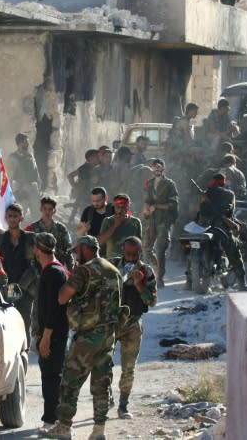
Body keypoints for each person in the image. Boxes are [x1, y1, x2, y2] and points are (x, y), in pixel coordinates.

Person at [41, 236, 122, 440]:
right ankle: (99, 430)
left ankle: (65, 427)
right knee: (101, 382)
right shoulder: (114, 270)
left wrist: (72, 275)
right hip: (108, 335)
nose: (76, 254)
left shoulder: (84, 270)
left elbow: (62, 297)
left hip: (87, 337)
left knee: (70, 381)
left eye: (78, 251)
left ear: (86, 249)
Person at [107, 236, 157, 420]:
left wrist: (139, 285)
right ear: (122, 251)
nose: (131, 258)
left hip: (133, 324)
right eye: (128, 254)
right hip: (111, 322)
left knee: (128, 368)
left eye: (135, 255)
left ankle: (123, 406)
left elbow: (152, 300)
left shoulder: (146, 271)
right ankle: (107, 396)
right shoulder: (111, 266)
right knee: (105, 364)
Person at [34, 233, 71, 432]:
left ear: (37, 250)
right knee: (53, 376)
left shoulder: (53, 273)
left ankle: (51, 421)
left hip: (53, 334)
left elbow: (53, 309)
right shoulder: (56, 269)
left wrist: (46, 337)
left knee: (50, 378)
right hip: (56, 333)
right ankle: (55, 419)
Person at [198, 174, 247, 291]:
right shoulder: (229, 194)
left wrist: (206, 201)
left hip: (206, 226)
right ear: (224, 182)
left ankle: (190, 280)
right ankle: (241, 282)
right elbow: (228, 211)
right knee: (234, 252)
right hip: (221, 227)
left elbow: (203, 212)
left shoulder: (207, 194)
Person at [0, 203, 37, 343]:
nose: (12, 219)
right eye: (10, 216)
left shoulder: (31, 239)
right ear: (6, 218)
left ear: (21, 218)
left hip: (26, 288)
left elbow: (36, 264)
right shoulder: (0, 240)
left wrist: (22, 286)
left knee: (24, 322)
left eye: (15, 216)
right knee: (7, 323)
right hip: (7, 289)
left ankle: (23, 352)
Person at [143, 158, 179, 288]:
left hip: (164, 220)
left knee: (160, 250)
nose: (157, 169)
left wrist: (157, 206)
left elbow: (173, 204)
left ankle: (160, 278)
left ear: (163, 168)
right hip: (152, 220)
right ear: (151, 169)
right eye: (154, 167)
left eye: (159, 167)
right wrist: (146, 208)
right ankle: (156, 268)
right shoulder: (150, 183)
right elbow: (147, 199)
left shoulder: (169, 184)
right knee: (146, 248)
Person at [26, 196, 74, 271]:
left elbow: (68, 251)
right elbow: (26, 251)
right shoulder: (32, 229)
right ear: (41, 209)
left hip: (56, 269)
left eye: (50, 209)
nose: (47, 212)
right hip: (37, 270)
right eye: (45, 209)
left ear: (54, 211)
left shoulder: (61, 228)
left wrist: (71, 270)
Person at [98, 194, 143, 258]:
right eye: (118, 207)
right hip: (111, 262)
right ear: (114, 207)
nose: (120, 210)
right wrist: (115, 225)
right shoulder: (108, 221)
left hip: (129, 262)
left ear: (128, 207)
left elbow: (139, 246)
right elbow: (100, 242)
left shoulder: (135, 222)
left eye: (123, 207)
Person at [9, 133, 42, 218]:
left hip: (33, 189)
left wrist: (39, 186)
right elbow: (10, 177)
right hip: (21, 190)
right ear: (20, 143)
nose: (28, 144)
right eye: (26, 142)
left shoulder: (30, 156)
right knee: (20, 215)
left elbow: (36, 172)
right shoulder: (13, 158)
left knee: (37, 215)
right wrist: (13, 192)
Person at [67, 149, 100, 218]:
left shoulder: (97, 168)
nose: (98, 158)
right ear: (90, 158)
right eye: (96, 157)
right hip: (84, 196)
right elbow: (70, 176)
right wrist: (75, 188)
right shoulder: (84, 168)